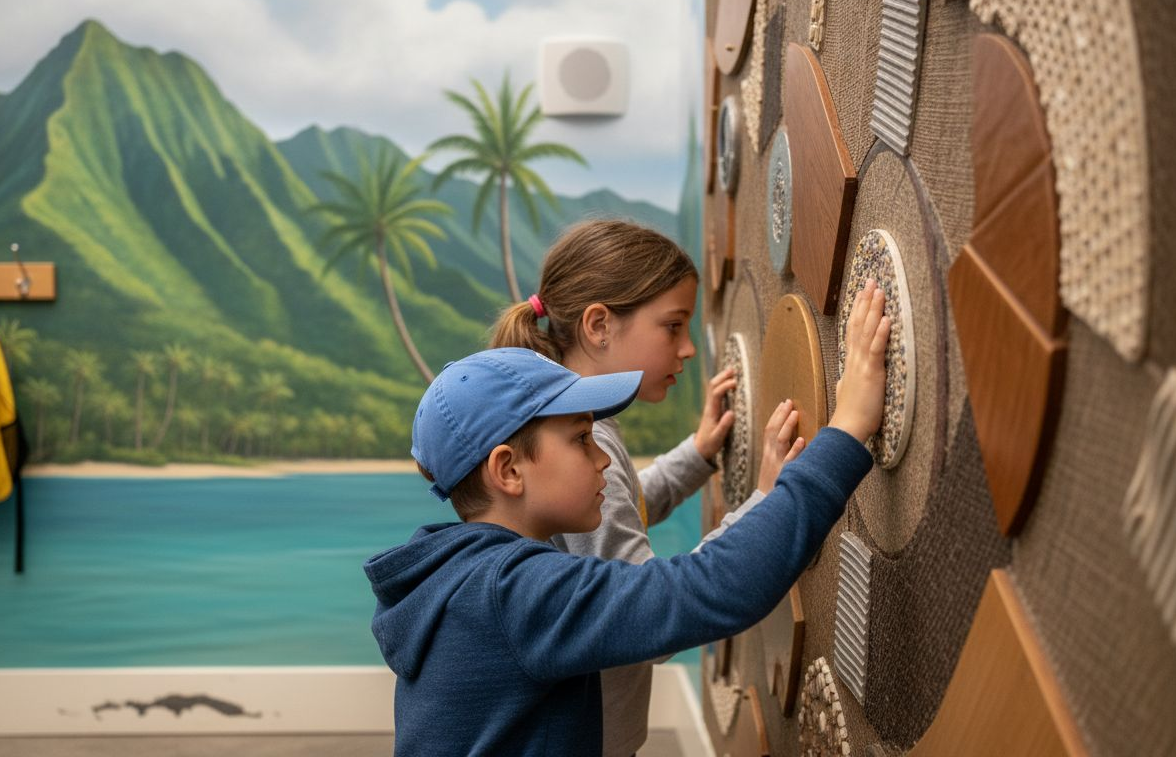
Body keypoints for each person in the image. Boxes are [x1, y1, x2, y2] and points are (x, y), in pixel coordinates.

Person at [365, 280, 889, 756]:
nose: (603, 460)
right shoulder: (517, 592)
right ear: (508, 469)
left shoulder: (469, 574)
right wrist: (846, 430)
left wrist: (716, 467)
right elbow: (711, 590)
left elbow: (634, 507)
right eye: (580, 439)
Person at [488, 218, 805, 755]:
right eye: (673, 326)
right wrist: (765, 504)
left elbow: (614, 515)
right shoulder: (593, 444)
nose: (686, 350)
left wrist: (698, 454)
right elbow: (648, 614)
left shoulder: (574, 429)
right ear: (599, 325)